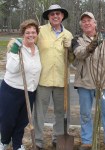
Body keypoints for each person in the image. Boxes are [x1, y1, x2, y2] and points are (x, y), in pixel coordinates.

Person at [72, 12, 105, 150]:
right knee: (85, 114)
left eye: (89, 20)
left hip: (103, 84)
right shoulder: (77, 39)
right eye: (84, 21)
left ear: (95, 23)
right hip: (84, 84)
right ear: (81, 25)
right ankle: (87, 141)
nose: (87, 23)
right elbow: (79, 53)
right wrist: (90, 47)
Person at [33, 4, 73, 150]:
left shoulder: (68, 34)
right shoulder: (40, 31)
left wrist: (71, 49)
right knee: (39, 113)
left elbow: (72, 59)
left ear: (62, 16)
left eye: (58, 14)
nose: (55, 16)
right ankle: (37, 140)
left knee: (61, 112)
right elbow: (28, 41)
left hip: (62, 80)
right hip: (43, 79)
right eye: (52, 14)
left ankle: (58, 138)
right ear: (48, 17)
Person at [0, 19, 41, 150]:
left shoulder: (37, 49)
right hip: (12, 91)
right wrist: (14, 50)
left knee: (22, 121)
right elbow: (11, 68)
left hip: (30, 91)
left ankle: (17, 144)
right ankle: (4, 141)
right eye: (27, 32)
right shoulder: (16, 47)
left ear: (37, 34)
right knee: (8, 120)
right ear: (23, 33)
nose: (31, 35)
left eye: (33, 32)